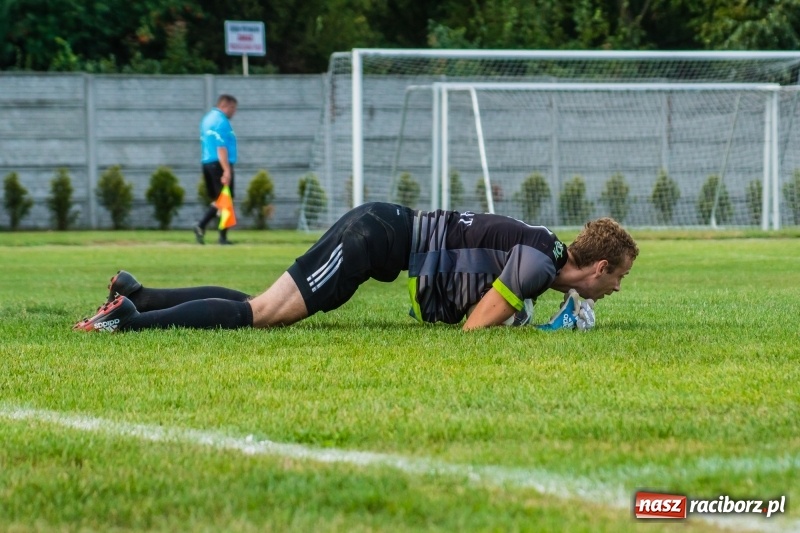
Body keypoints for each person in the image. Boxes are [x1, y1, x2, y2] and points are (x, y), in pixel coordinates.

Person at [73, 202, 639, 333]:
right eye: (620, 277)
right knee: (265, 313)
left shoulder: (544, 249)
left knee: (262, 299)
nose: (618, 288)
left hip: (379, 231)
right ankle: (130, 320)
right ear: (601, 267)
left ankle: (139, 295)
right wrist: (542, 328)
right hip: (374, 237)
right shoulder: (541, 261)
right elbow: (474, 327)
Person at [195, 94, 238, 245]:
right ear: (225, 105)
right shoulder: (221, 121)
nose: (234, 112)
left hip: (206, 162)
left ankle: (201, 226)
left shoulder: (207, 119)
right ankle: (221, 237)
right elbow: (221, 147)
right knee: (226, 200)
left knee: (219, 201)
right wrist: (226, 170)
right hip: (219, 164)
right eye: (233, 108)